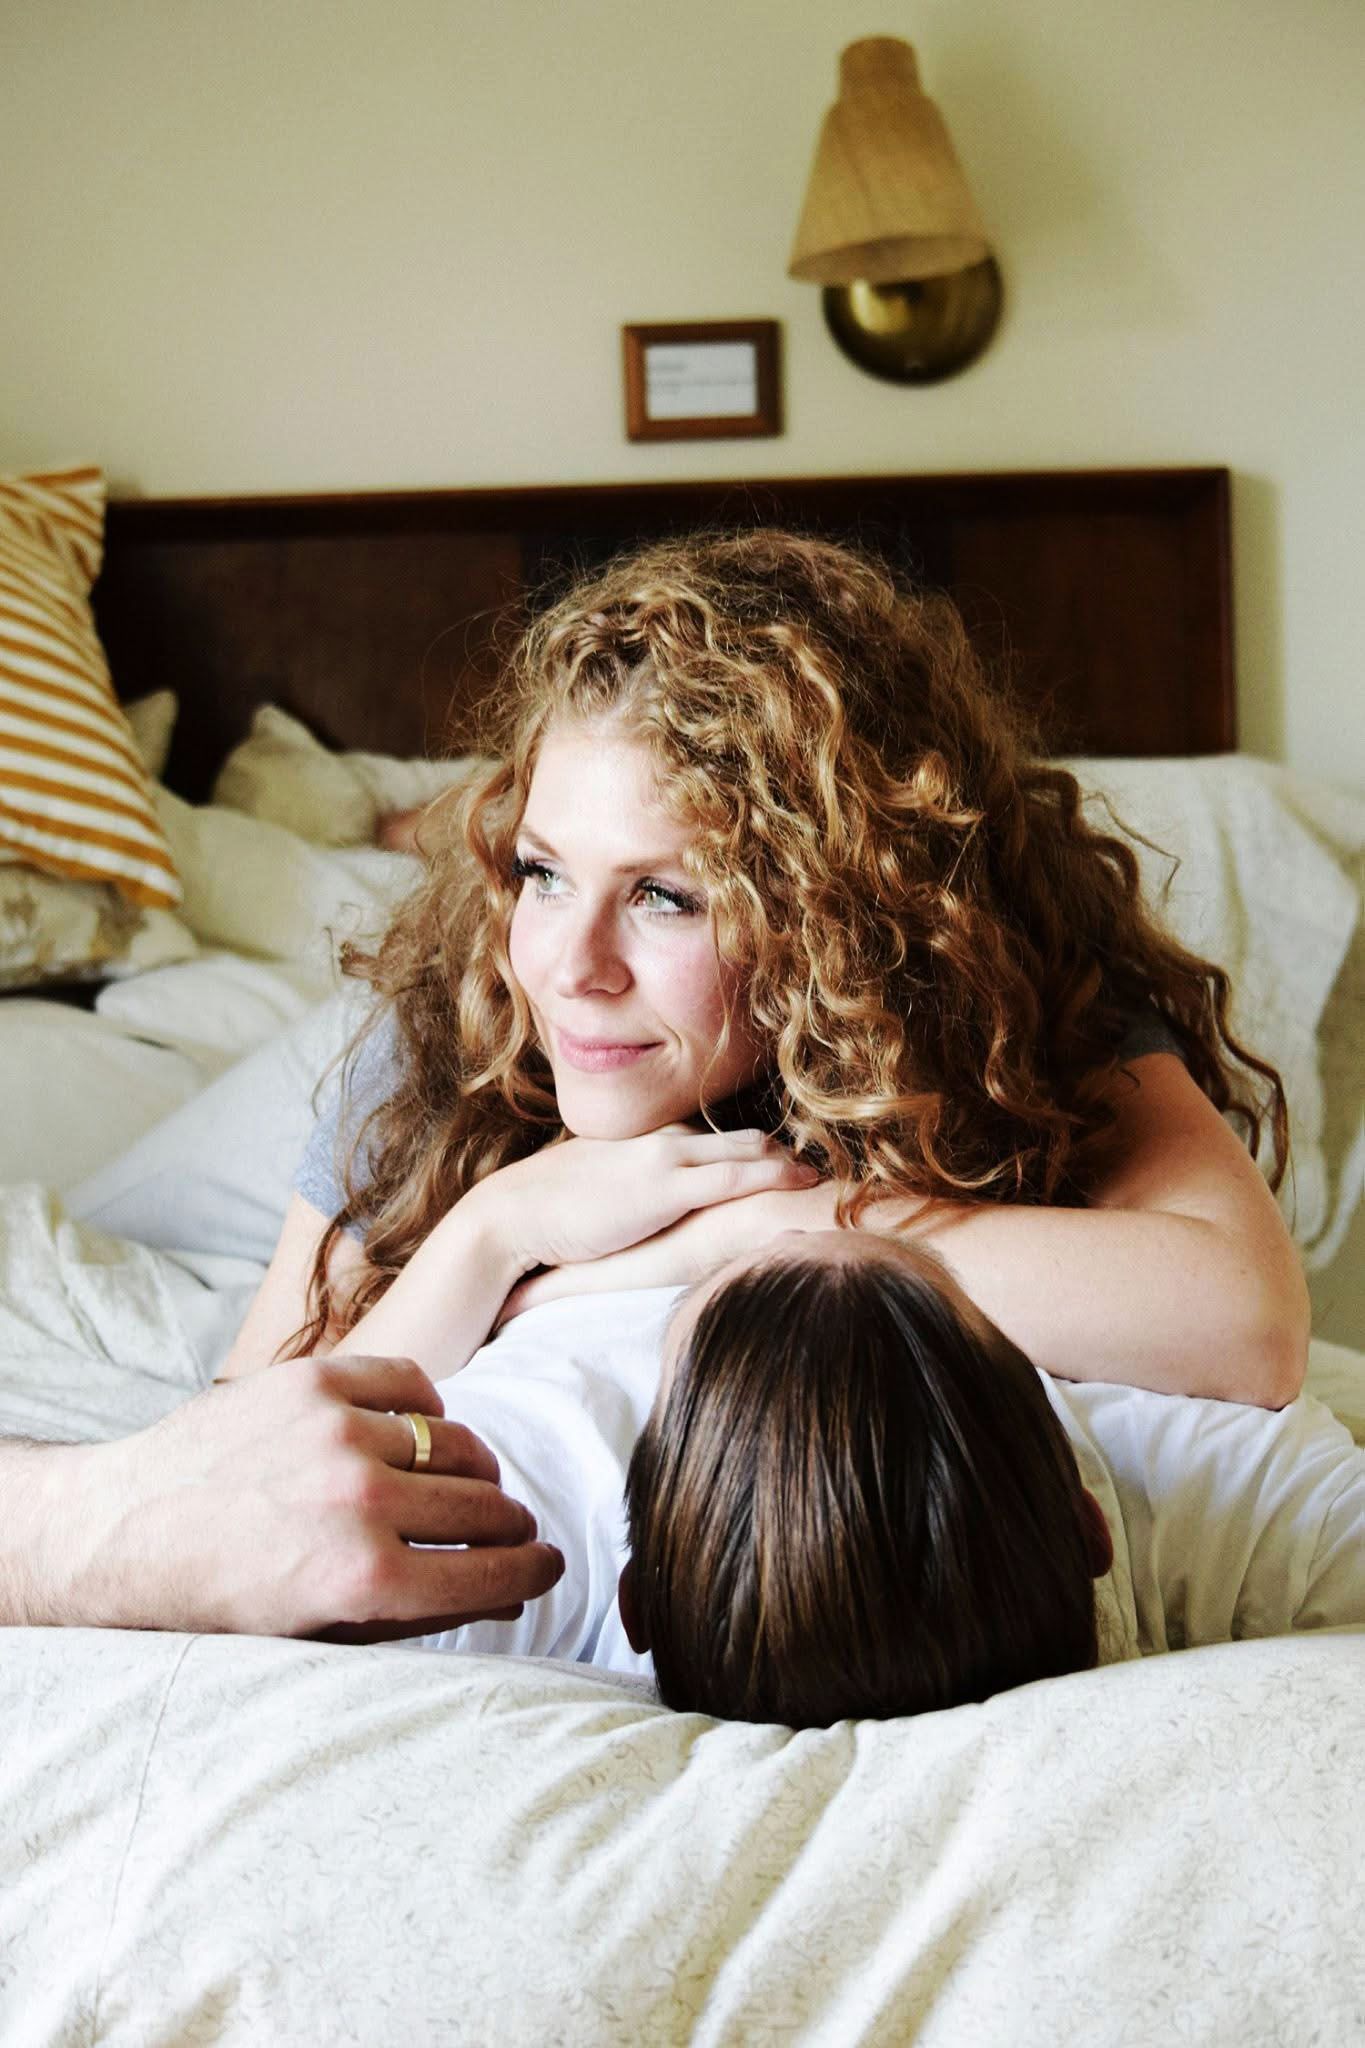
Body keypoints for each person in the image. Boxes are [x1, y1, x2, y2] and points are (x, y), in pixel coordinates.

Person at [0, 529, 1310, 1639]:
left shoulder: (1007, 999)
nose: (568, 965)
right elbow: (241, 1459)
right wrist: (499, 1231)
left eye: (666, 897)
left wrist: (737, 1227)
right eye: (541, 869)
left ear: (842, 916)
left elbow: (1241, 1324)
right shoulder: (462, 1019)